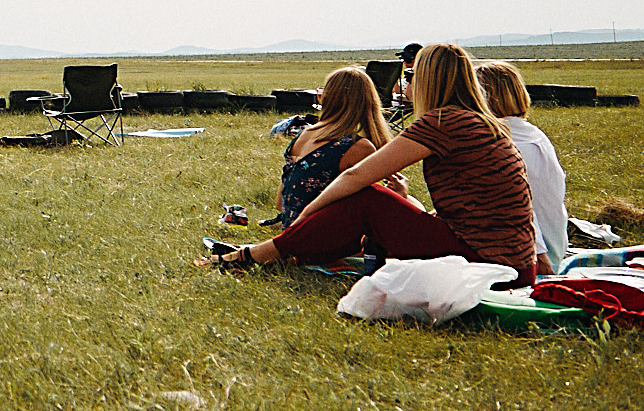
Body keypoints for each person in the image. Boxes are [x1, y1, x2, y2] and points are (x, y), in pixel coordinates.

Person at [201, 44, 536, 286]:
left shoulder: (441, 122)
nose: (408, 83)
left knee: (366, 198)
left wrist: (305, 215)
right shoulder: (484, 123)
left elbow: (359, 175)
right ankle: (277, 251)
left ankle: (255, 255)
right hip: (519, 264)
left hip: (485, 261)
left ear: (430, 81)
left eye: (412, 75)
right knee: (378, 206)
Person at [274, 67, 410, 227]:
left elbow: (280, 203)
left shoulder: (304, 135)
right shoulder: (357, 147)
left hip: (291, 233)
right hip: (325, 236)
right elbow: (375, 210)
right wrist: (400, 195)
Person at [476, 60, 568, 275]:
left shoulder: (502, 142)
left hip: (533, 256)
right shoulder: (533, 134)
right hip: (556, 242)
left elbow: (517, 208)